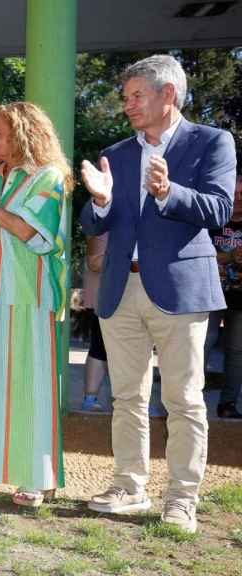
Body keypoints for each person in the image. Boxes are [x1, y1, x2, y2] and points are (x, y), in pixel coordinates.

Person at [79, 54, 236, 533]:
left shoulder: (212, 142)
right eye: (125, 98)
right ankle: (129, 486)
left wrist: (170, 193)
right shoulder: (118, 153)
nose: (127, 105)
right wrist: (101, 201)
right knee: (127, 396)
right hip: (120, 288)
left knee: (184, 400)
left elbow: (220, 208)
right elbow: (92, 222)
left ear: (167, 94)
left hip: (181, 290)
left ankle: (182, 499)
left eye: (135, 96)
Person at [0, 102, 72, 507]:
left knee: (30, 385)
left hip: (26, 294)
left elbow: (27, 231)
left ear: (23, 134)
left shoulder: (47, 177)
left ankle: (37, 478)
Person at [209, 172, 242, 420]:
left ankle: (228, 404)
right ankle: (191, 401)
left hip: (239, 300)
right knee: (201, 344)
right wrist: (230, 256)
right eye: (235, 193)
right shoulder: (213, 219)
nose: (239, 198)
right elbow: (200, 256)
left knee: (236, 351)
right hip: (208, 294)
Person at [81, 233, 110, 412]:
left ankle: (91, 399)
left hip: (110, 295)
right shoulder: (99, 217)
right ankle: (90, 399)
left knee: (100, 348)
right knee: (99, 348)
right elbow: (94, 263)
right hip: (105, 295)